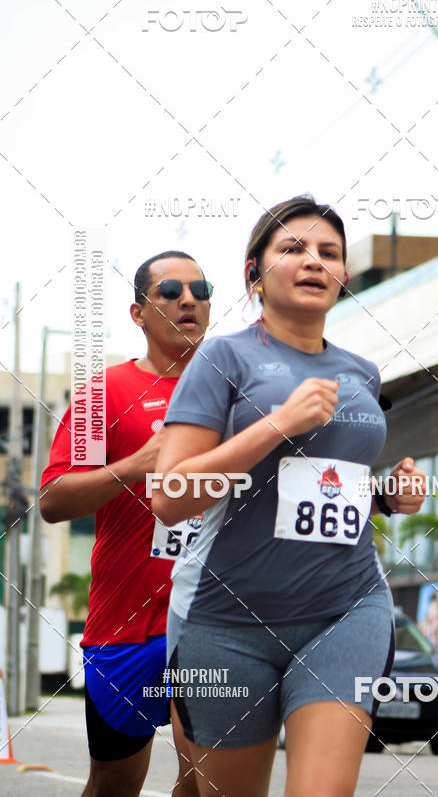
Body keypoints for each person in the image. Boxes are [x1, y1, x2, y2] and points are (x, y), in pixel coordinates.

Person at [152, 195, 426, 797]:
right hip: (226, 623)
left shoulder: (361, 372)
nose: (313, 261)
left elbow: (319, 487)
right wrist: (276, 424)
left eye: (329, 253)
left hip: (346, 609)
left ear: (344, 277)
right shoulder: (222, 358)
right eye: (293, 249)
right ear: (255, 271)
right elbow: (171, 496)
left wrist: (387, 496)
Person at [40, 250, 212, 797]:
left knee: (209, 779)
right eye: (170, 291)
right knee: (114, 783)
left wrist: (378, 499)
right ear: (139, 313)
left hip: (214, 619)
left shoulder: (240, 393)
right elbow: (53, 499)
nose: (188, 299)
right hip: (127, 628)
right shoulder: (103, 394)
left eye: (200, 289)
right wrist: (138, 464)